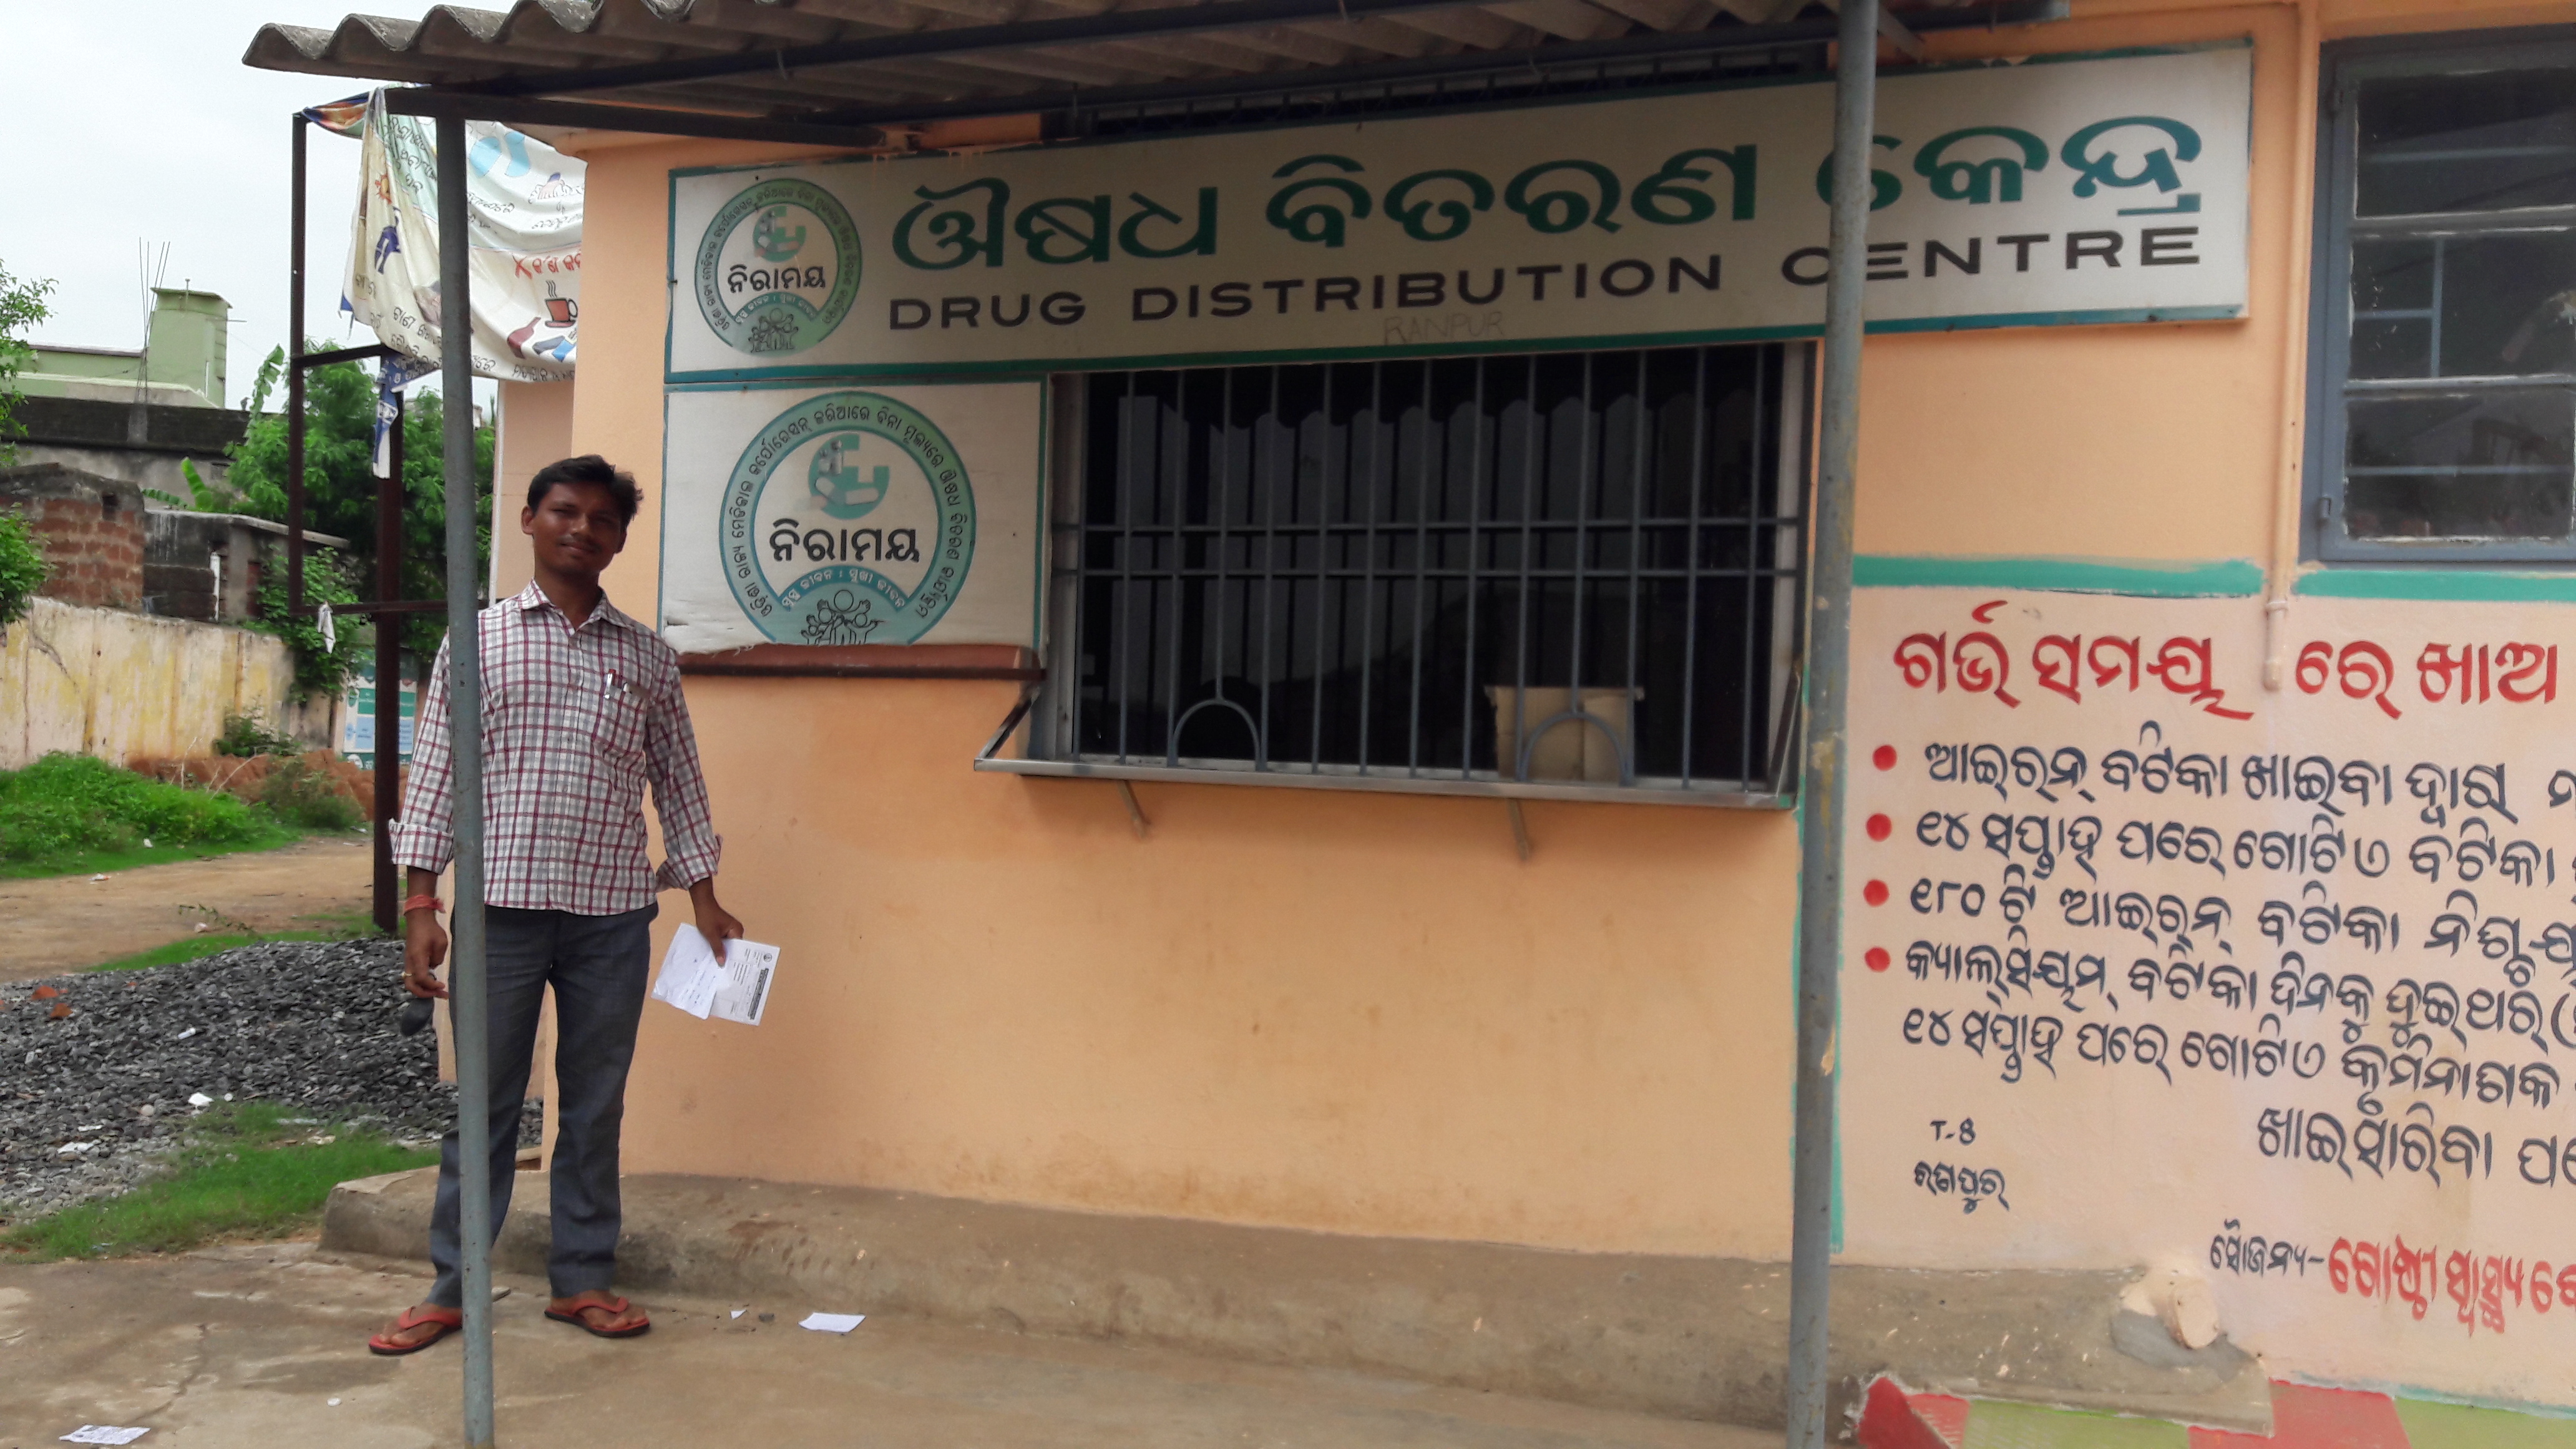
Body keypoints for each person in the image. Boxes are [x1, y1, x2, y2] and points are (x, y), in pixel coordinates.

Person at [368, 454, 742, 1355]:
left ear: (619, 541)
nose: (583, 529)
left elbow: (679, 781)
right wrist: (421, 903)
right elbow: (437, 772)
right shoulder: (477, 640)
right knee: (484, 1106)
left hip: (610, 917)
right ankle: (454, 1287)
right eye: (566, 511)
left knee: (595, 1105)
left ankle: (582, 1278)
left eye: (603, 520)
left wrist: (706, 897)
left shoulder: (647, 658)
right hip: (496, 912)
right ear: (530, 519)